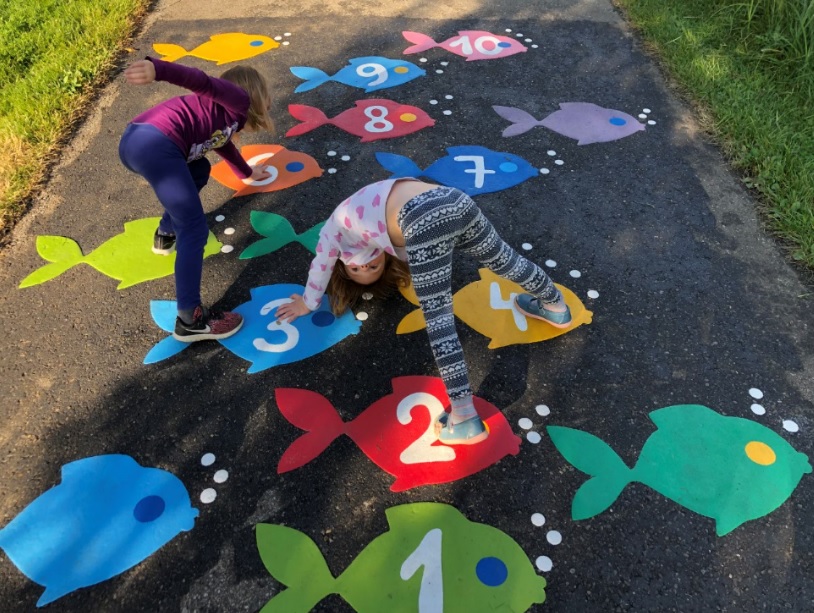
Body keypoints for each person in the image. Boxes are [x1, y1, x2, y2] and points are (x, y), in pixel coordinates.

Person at [275, 179, 572, 445]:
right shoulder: (357, 214)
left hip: (421, 217)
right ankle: (556, 305)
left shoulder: (332, 233)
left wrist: (308, 302)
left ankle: (465, 417)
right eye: (365, 270)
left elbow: (321, 265)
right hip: (453, 198)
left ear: (344, 268)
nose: (365, 269)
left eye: (365, 268)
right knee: (505, 260)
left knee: (438, 318)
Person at [119, 57, 275, 342]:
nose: (270, 102)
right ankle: (190, 319)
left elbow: (221, 142)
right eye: (267, 95)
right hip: (156, 144)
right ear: (253, 94)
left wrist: (246, 173)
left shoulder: (224, 118)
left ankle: (165, 234)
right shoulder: (238, 99)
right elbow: (200, 81)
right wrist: (158, 70)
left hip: (137, 141)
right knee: (193, 229)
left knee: (199, 169)